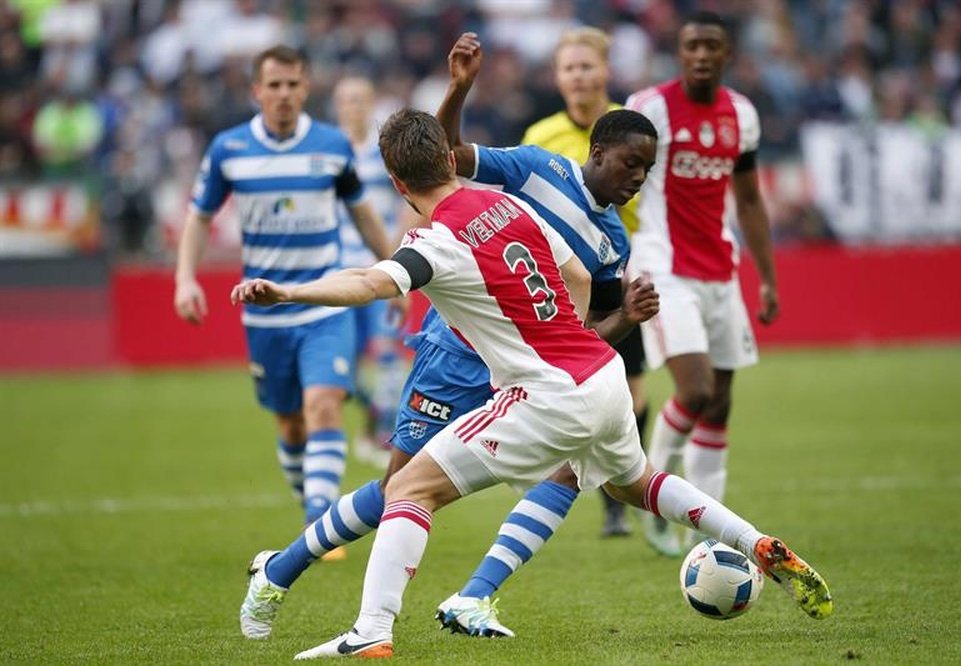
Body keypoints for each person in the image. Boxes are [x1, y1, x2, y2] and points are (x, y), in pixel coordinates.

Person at [231, 106, 832, 660]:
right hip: (600, 371)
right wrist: (565, 334)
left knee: (409, 489)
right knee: (634, 483)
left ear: (397, 182)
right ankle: (753, 540)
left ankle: (371, 631)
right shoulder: (511, 208)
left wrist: (288, 291)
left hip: (547, 392)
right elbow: (571, 269)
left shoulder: (433, 242)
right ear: (448, 161)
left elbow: (367, 283)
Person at [235, 32, 660, 641]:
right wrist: (458, 89)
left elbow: (576, 315)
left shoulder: (614, 242)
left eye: (646, 169)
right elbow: (444, 156)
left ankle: (473, 598)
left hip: (534, 371)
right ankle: (282, 570)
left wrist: (600, 328)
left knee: (571, 467)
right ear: (599, 152)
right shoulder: (536, 170)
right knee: (397, 490)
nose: (637, 178)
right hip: (457, 354)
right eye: (631, 165)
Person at [173, 46, 393, 531]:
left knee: (325, 402)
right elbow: (199, 217)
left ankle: (320, 521)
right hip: (265, 312)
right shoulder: (230, 150)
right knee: (291, 422)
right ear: (257, 91)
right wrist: (186, 278)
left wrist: (396, 271)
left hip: (323, 301)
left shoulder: (332, 146)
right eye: (274, 85)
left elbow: (363, 215)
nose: (284, 94)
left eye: (293, 84)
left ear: (306, 88)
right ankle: (309, 500)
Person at [624, 11, 780, 556]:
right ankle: (653, 489)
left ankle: (708, 533)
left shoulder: (741, 114)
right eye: (692, 45)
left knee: (720, 404)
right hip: (663, 268)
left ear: (727, 52)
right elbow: (617, 176)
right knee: (695, 390)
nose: (701, 55)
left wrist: (767, 278)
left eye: (712, 45)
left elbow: (751, 198)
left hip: (721, 270)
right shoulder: (650, 109)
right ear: (680, 50)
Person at [520, 26, 646, 537]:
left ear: (604, 72)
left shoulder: (634, 130)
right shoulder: (539, 138)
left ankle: (617, 496)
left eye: (586, 66)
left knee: (633, 395)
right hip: (559, 284)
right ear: (557, 77)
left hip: (620, 273)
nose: (578, 76)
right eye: (569, 68)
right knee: (578, 388)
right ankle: (578, 484)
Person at [330, 75, 409, 468]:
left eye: (360, 99)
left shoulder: (384, 154)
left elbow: (407, 204)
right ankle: (371, 418)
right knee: (341, 363)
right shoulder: (329, 154)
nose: (353, 107)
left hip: (380, 269)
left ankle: (384, 433)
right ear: (337, 106)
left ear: (371, 102)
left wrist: (393, 253)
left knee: (388, 354)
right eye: (346, 100)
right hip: (337, 274)